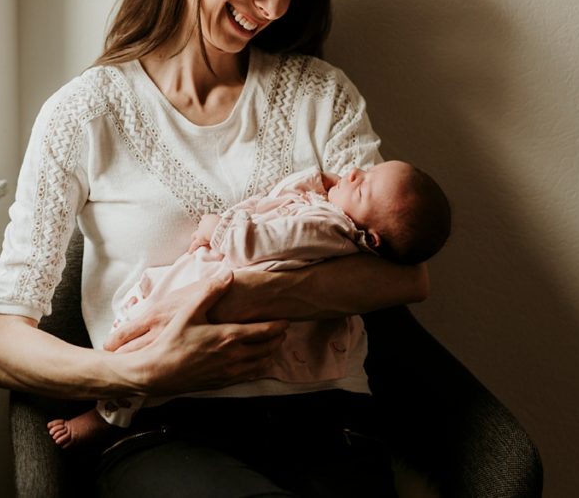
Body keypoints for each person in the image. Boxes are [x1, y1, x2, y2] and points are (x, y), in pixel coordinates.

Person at [0, 0, 431, 497]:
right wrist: (138, 370)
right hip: (164, 429)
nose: (274, 6)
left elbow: (404, 271)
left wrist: (236, 298)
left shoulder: (320, 95)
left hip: (328, 424)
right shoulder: (85, 113)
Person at [47, 161, 451, 449]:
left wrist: (215, 228)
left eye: (363, 187)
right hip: (209, 279)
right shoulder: (330, 209)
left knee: (148, 348)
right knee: (139, 330)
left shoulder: (332, 228)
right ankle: (111, 389)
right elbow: (283, 197)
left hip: (219, 282)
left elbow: (263, 243)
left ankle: (107, 417)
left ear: (372, 238)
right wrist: (317, 179)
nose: (356, 172)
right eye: (368, 170)